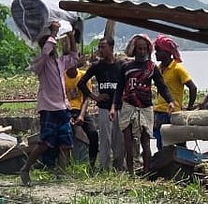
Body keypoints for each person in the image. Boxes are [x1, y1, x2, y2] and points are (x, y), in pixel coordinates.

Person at [20, 20, 79, 185]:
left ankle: (61, 173)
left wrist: (71, 37)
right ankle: (25, 169)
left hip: (62, 107)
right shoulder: (41, 63)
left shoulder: (60, 62)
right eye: (49, 43)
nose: (52, 47)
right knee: (45, 143)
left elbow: (74, 57)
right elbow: (45, 53)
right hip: (48, 109)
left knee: (66, 143)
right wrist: (53, 33)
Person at [121, 34, 176, 173]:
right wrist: (114, 107)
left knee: (146, 141)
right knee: (128, 143)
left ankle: (146, 171)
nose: (142, 52)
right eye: (139, 49)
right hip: (128, 105)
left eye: (144, 49)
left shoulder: (151, 68)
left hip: (145, 106)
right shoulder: (126, 66)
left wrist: (170, 101)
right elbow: (120, 88)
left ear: (148, 50)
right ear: (134, 49)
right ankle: (131, 172)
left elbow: (161, 86)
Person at [77, 37, 127, 173]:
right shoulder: (97, 66)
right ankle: (105, 169)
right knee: (105, 140)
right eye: (99, 47)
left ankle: (119, 168)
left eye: (102, 47)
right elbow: (81, 83)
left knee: (119, 140)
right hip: (104, 107)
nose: (100, 50)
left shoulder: (121, 66)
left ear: (111, 48)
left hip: (119, 107)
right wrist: (95, 97)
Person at [151, 35, 197, 150]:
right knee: (161, 144)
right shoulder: (158, 68)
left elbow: (193, 87)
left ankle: (183, 164)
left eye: (158, 51)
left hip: (173, 112)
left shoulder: (177, 69)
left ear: (166, 52)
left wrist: (189, 108)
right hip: (159, 111)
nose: (156, 54)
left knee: (179, 142)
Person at [63, 52, 98, 173]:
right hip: (65, 109)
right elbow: (61, 98)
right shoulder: (62, 78)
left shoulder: (83, 76)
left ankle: (92, 165)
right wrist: (67, 115)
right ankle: (65, 166)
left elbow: (86, 98)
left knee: (93, 134)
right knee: (63, 135)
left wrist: (82, 116)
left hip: (80, 110)